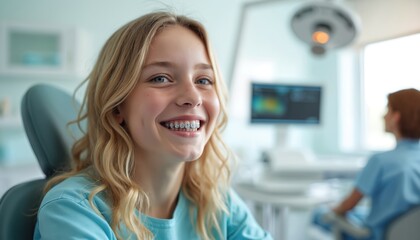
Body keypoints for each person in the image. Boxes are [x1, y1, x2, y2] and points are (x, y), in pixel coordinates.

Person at [34, 11, 272, 240]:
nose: (193, 96)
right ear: (117, 106)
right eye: (161, 78)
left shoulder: (215, 202)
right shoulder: (72, 210)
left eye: (203, 80)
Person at [312, 88, 420, 240]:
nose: (383, 116)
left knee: (319, 215)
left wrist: (332, 209)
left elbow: (347, 206)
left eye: (387, 110)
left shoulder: (381, 161)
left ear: (396, 117)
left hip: (380, 235)